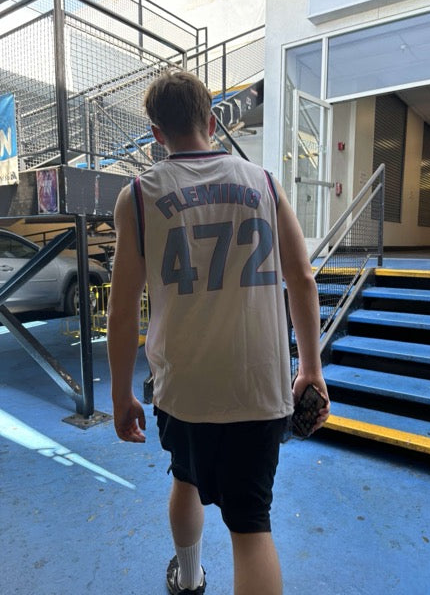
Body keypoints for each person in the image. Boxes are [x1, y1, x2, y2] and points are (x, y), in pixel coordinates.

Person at [107, 69, 330, 595]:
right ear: (211, 122)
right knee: (251, 527)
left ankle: (188, 578)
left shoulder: (138, 196)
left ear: (157, 134)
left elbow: (121, 309)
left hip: (183, 390)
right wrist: (311, 369)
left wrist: (119, 395)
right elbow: (302, 278)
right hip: (260, 387)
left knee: (185, 478)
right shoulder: (265, 183)